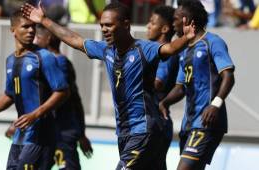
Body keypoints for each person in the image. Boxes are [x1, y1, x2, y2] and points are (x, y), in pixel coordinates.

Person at [21, 2, 195, 169]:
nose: (104, 29)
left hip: (143, 129)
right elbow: (74, 39)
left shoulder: (144, 49)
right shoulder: (106, 50)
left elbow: (170, 49)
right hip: (126, 132)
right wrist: (44, 20)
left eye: (109, 25)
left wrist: (186, 37)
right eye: (102, 25)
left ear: (126, 25)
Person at [0, 10, 69, 170]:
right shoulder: (11, 60)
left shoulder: (44, 57)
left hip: (41, 137)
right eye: (26, 27)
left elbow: (63, 91)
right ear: (13, 30)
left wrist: (35, 115)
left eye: (33, 27)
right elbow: (9, 95)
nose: (31, 30)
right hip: (21, 136)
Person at [159, 0, 235, 170]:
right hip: (189, 124)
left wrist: (215, 105)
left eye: (175, 19)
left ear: (187, 21)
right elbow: (180, 88)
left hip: (207, 122)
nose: (172, 24)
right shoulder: (184, 50)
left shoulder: (213, 42)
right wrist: (164, 103)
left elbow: (228, 76)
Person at [34, 25, 93, 170]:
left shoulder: (60, 63)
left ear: (48, 39)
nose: (34, 40)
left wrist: (81, 134)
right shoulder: (46, 62)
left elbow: (71, 98)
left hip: (62, 133)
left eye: (38, 37)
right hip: (49, 132)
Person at [146, 5, 178, 170]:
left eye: (152, 22)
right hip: (157, 123)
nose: (148, 26)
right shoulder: (154, 51)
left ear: (165, 28)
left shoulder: (164, 54)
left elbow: (158, 82)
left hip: (156, 123)